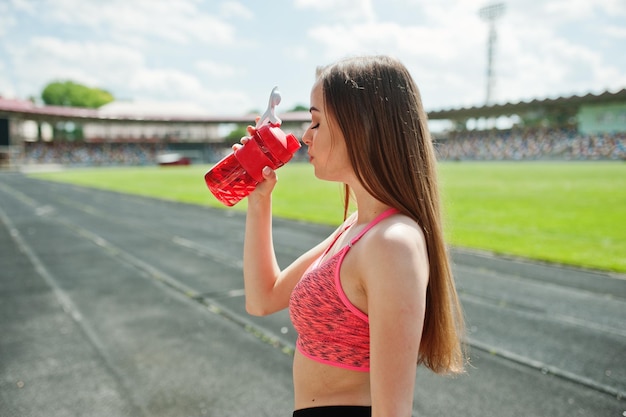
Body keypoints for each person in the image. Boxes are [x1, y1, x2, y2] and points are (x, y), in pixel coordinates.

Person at [240, 55, 465, 417]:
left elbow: (393, 411)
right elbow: (262, 299)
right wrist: (259, 200)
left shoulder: (392, 244)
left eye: (316, 122)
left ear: (360, 126)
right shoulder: (357, 228)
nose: (304, 136)